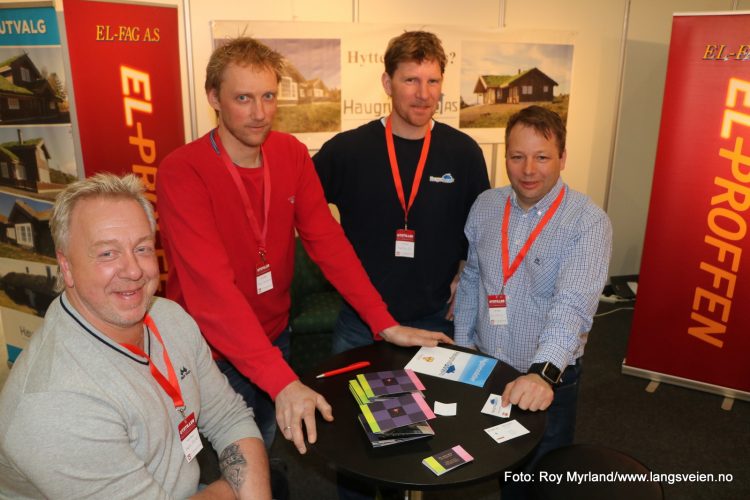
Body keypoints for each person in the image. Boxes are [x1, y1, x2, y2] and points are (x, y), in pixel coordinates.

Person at [156, 37, 451, 455]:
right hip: (211, 351)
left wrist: (383, 321)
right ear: (213, 98)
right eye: (243, 98)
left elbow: (328, 242)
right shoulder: (182, 172)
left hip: (275, 335)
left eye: (269, 96)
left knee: (268, 441)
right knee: (229, 458)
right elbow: (212, 294)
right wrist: (282, 381)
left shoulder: (290, 154)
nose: (260, 113)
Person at [0, 173, 270, 499]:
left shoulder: (168, 317)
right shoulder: (54, 403)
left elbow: (230, 418)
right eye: (107, 254)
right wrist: (234, 489)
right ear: (66, 266)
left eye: (142, 248)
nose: (133, 271)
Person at [454, 106, 612, 487]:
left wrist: (542, 375)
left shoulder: (587, 222)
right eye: (517, 156)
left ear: (562, 158)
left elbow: (572, 306)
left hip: (545, 376)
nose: (528, 170)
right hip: (487, 366)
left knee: (541, 478)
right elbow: (472, 277)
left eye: (542, 157)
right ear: (505, 155)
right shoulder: (486, 206)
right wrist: (461, 350)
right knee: (493, 459)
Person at [313, 30, 490, 354]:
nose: (423, 94)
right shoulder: (348, 150)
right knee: (351, 404)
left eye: (432, 81)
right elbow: (300, 206)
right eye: (410, 80)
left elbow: (481, 226)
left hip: (436, 319)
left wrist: (465, 273)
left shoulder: (463, 153)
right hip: (361, 323)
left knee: (436, 406)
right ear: (387, 82)